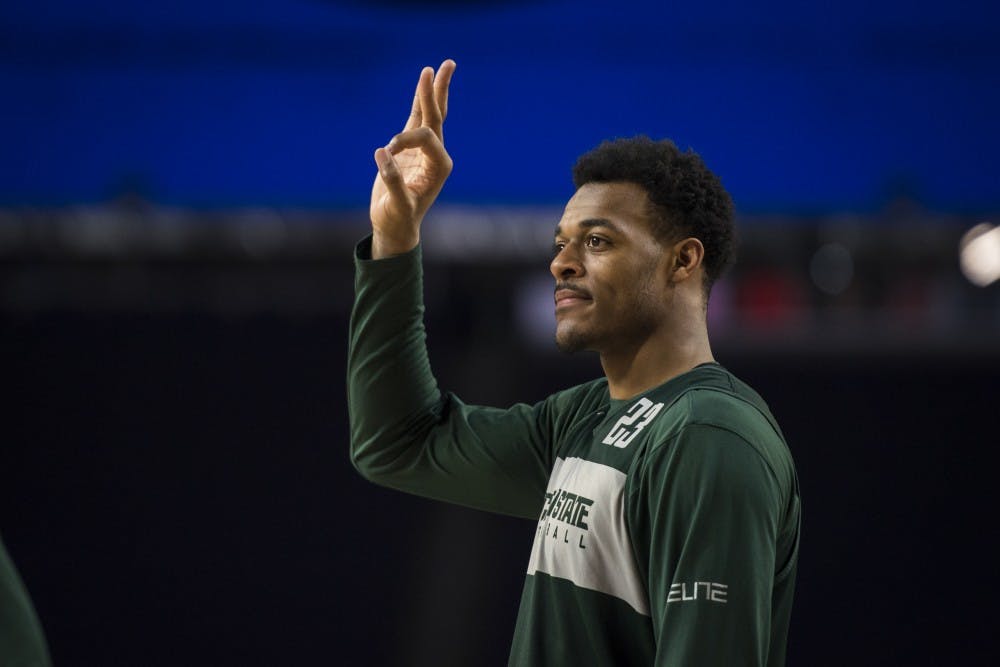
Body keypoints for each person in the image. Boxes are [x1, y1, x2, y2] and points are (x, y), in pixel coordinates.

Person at [348, 59, 801, 666]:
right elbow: (396, 444)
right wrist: (394, 238)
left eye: (597, 240)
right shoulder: (586, 418)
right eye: (560, 242)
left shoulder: (709, 437)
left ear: (683, 261)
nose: (561, 262)